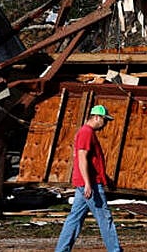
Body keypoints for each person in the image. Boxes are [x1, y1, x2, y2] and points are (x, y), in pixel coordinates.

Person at [55, 104, 122, 252]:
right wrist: (88, 184)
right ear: (97, 117)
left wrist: (105, 178)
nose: (105, 124)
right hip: (90, 184)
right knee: (105, 219)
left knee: (75, 219)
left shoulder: (85, 132)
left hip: (86, 182)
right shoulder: (87, 132)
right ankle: (115, 250)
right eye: (104, 120)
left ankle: (61, 250)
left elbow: (92, 161)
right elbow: (82, 158)